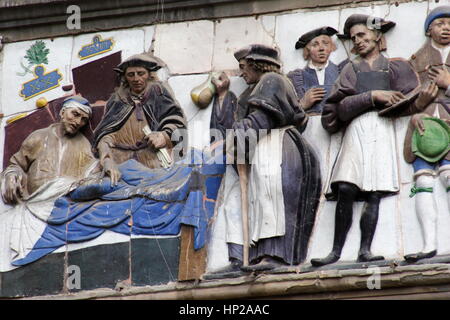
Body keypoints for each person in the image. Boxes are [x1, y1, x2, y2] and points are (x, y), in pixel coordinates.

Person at [311, 14, 431, 266]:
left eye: (363, 35)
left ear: (377, 36)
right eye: (354, 38)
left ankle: (365, 249)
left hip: (382, 130)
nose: (358, 41)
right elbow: (336, 110)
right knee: (345, 186)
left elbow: (408, 101)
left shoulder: (395, 67)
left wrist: (420, 101)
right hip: (357, 129)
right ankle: (335, 251)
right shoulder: (351, 69)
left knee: (374, 192)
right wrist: (372, 96)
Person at [207, 44, 321, 275]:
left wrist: (234, 137)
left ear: (257, 64)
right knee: (254, 200)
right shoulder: (252, 91)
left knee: (272, 197)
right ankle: (251, 256)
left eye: (244, 67)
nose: (241, 73)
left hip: (277, 146)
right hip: (262, 149)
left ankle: (276, 255)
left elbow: (261, 120)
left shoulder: (272, 80)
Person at [0, 96, 98, 271]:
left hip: (63, 204)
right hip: (34, 203)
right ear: (62, 112)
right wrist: (11, 176)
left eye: (83, 120)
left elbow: (91, 173)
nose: (78, 122)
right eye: (75, 114)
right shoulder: (39, 137)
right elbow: (16, 165)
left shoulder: (83, 144)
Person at [93, 53, 187, 185]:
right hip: (121, 161)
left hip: (152, 159)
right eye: (131, 74)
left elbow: (176, 120)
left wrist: (164, 136)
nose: (136, 79)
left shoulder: (158, 93)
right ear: (125, 78)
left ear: (149, 74)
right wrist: (107, 160)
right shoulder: (117, 100)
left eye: (140, 73)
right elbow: (105, 135)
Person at [403, 5, 450, 262]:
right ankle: (429, 245)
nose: (446, 28)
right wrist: (417, 108)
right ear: (429, 29)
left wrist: (448, 84)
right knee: (423, 183)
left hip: (449, 126)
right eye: (440, 23)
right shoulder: (417, 60)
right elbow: (406, 98)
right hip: (424, 129)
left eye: (449, 23)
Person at [287, 26, 341, 114]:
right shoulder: (296, 78)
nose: (321, 48)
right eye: (315, 45)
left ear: (332, 47)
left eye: (325, 43)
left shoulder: (341, 71)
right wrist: (302, 105)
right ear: (307, 50)